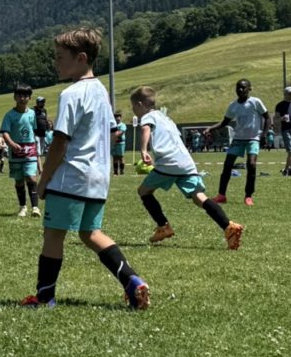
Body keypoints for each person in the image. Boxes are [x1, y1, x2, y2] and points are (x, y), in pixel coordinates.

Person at [21, 27, 149, 310]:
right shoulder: (102, 92)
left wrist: (44, 180)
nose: (55, 62)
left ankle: (44, 297)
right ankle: (132, 280)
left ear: (80, 58)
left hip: (71, 177)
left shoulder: (71, 94)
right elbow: (114, 133)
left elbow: (60, 142)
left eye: (60, 57)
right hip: (99, 178)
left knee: (53, 234)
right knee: (90, 233)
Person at [131, 87, 244, 249]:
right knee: (199, 197)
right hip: (186, 162)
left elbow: (145, 129)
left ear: (140, 104)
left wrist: (143, 150)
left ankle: (163, 226)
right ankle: (229, 227)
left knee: (143, 191)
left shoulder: (148, 117)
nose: (133, 110)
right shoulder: (165, 118)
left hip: (169, 161)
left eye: (133, 106)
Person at [204, 79, 270, 206]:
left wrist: (264, 134)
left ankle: (248, 196)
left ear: (249, 89)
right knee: (227, 165)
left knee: (251, 165)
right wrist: (210, 128)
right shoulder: (233, 105)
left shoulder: (255, 102)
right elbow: (225, 122)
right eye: (238, 87)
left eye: (243, 87)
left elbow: (267, 117)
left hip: (253, 138)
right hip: (238, 139)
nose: (240, 90)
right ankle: (221, 195)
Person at [1, 85, 41, 217]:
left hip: (30, 150)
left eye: (25, 96)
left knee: (31, 177)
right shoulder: (9, 115)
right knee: (19, 180)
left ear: (29, 98)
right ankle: (23, 207)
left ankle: (35, 207)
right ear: (15, 97)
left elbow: (34, 131)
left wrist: (37, 150)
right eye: (20, 96)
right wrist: (12, 144)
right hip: (15, 152)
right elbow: (5, 132)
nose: (22, 98)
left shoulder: (32, 114)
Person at [34, 96, 50, 161]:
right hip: (36, 133)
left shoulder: (44, 110)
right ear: (37, 102)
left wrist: (47, 125)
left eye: (44, 102)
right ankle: (39, 165)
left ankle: (38, 163)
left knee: (42, 151)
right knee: (38, 152)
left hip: (43, 134)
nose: (43, 103)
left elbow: (45, 119)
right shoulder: (33, 110)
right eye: (42, 102)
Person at [111, 111, 127, 175]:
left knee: (120, 157)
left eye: (119, 117)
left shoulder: (122, 125)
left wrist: (114, 135)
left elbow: (121, 132)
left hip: (120, 143)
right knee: (114, 157)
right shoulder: (113, 125)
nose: (118, 118)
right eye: (116, 117)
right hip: (114, 143)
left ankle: (121, 171)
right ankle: (115, 171)